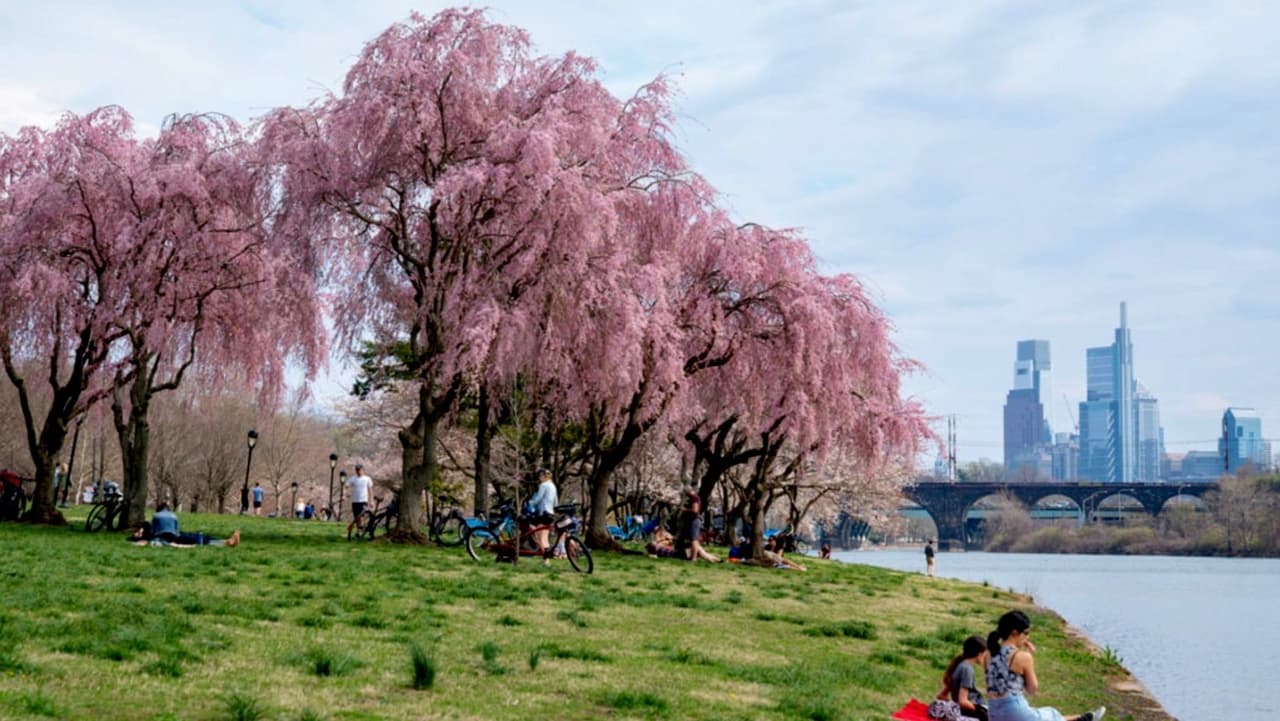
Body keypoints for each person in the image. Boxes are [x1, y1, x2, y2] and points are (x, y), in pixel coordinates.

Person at [986, 610, 1104, 721]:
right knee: (1051, 713)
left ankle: (1083, 718)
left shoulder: (988, 655)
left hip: (993, 712)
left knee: (1048, 715)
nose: (1028, 637)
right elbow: (1032, 689)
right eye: (1026, 633)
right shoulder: (1022, 657)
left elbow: (999, 681)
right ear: (1014, 632)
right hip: (1014, 710)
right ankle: (1084, 719)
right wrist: (1029, 657)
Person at [131, 503, 240, 547]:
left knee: (198, 540)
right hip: (174, 535)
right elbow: (176, 530)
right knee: (199, 538)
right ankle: (224, 541)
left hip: (163, 537)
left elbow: (154, 531)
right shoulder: (174, 516)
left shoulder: (156, 516)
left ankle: (225, 542)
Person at [937, 635, 989, 721]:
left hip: (965, 710)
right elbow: (963, 701)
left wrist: (952, 706)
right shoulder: (967, 669)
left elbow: (941, 695)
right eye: (985, 654)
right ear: (979, 654)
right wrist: (982, 711)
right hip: (969, 712)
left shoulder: (959, 665)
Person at [673, 490, 720, 563]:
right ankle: (712, 558)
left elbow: (695, 510)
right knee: (692, 540)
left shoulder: (695, 498)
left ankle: (694, 558)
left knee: (693, 540)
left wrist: (684, 510)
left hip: (693, 521)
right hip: (689, 521)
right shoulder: (689, 499)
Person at [526, 468, 558, 564]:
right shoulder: (553, 486)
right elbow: (556, 502)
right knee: (544, 536)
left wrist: (530, 503)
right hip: (550, 514)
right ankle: (546, 559)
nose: (539, 478)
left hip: (543, 513)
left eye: (540, 476)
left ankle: (546, 559)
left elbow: (538, 499)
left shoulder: (543, 485)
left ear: (544, 476)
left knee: (540, 536)